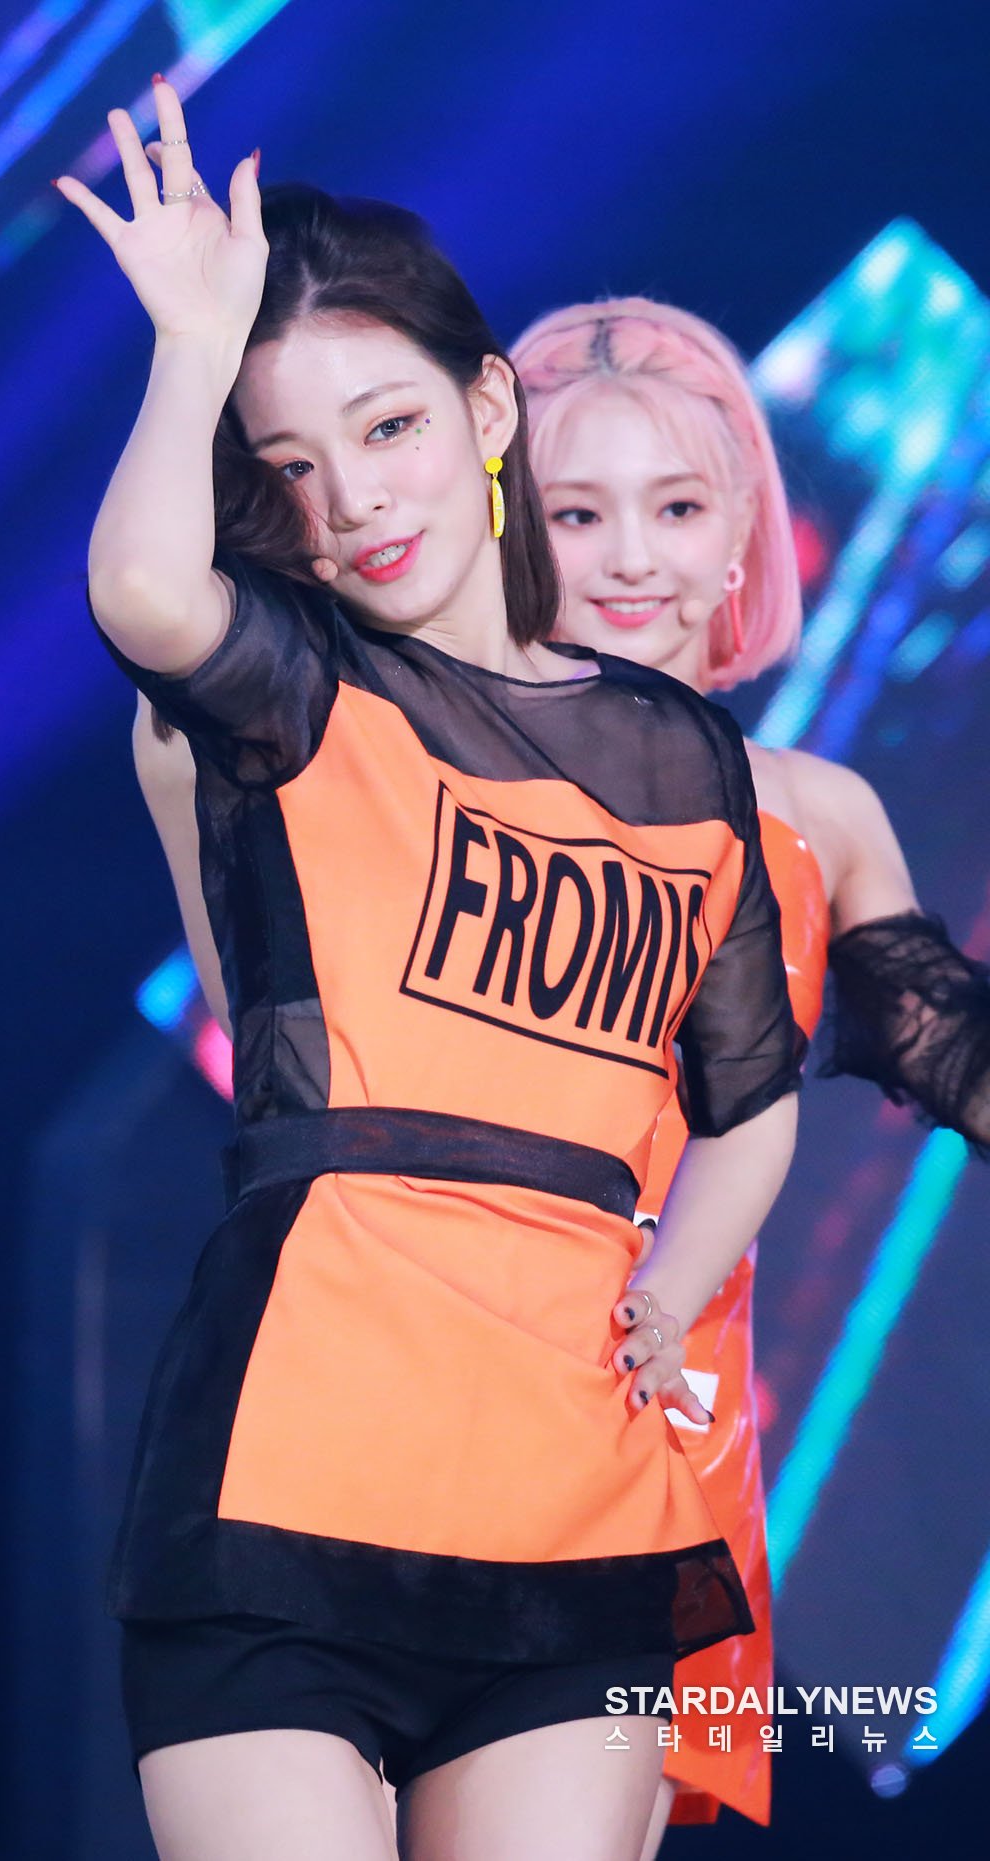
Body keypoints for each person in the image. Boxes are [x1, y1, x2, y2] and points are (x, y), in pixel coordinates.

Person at [55, 81, 803, 1861]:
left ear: (486, 409)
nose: (355, 497)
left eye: (389, 424)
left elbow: (749, 1093)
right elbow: (146, 590)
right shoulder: (295, 695)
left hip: (576, 1508)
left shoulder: (684, 759)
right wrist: (190, 347)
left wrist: (665, 1291)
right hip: (289, 1480)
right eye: (292, 466)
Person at [509, 295, 990, 1852]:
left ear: (741, 543)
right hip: (417, 1392)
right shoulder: (411, 769)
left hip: (657, 1449)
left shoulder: (815, 816)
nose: (633, 559)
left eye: (677, 508)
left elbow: (947, 1048)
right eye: (579, 513)